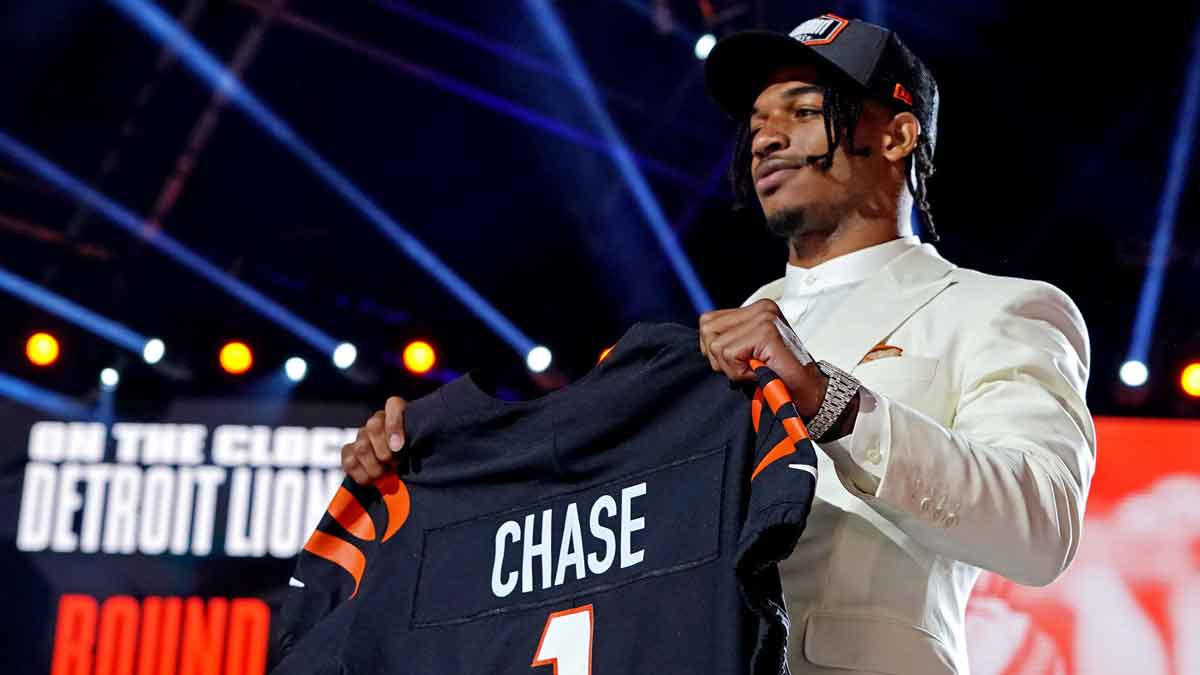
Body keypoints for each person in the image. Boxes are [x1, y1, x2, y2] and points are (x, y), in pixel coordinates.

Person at [341, 14, 1096, 675]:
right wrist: (425, 473)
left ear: (897, 134)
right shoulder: (704, 349)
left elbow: (1042, 527)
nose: (766, 136)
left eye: (804, 110)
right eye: (760, 120)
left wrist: (829, 400)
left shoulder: (998, 309)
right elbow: (578, 534)